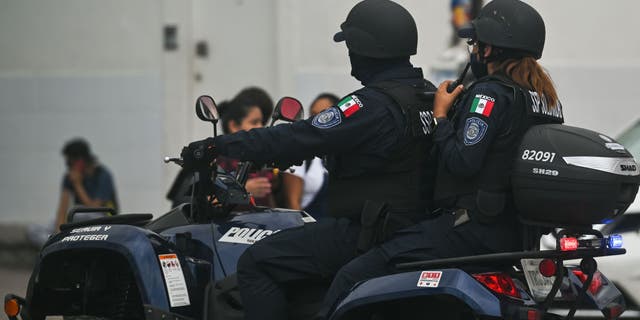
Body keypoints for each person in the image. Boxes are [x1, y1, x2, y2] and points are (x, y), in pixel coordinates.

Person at [181, 1, 437, 318]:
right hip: (412, 229)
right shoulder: (427, 95)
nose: (349, 54)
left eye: (352, 46)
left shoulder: (371, 105)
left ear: (366, 48)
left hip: (369, 232)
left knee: (257, 263)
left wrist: (218, 146)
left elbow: (299, 136)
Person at [318, 0, 565, 317]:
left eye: (475, 42)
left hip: (469, 228)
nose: (473, 49)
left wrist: (440, 116)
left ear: (490, 49)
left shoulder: (489, 94)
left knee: (353, 275)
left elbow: (463, 161)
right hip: (514, 234)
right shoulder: (546, 99)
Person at [281, 93, 339, 218]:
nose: (317, 120)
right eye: (313, 114)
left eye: (324, 114)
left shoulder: (342, 154)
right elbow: (293, 205)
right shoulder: (300, 155)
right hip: (311, 230)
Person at [217, 99, 278, 207]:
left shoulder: (262, 157)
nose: (260, 127)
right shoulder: (217, 160)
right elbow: (202, 203)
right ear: (234, 126)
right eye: (254, 122)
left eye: (262, 122)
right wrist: (243, 189)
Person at [55, 139, 119, 230]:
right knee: (33, 230)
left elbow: (94, 208)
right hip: (80, 219)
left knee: (78, 214)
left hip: (104, 220)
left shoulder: (103, 175)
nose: (68, 167)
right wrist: (58, 231)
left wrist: (77, 184)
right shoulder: (69, 177)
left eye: (70, 162)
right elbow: (62, 210)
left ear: (80, 161)